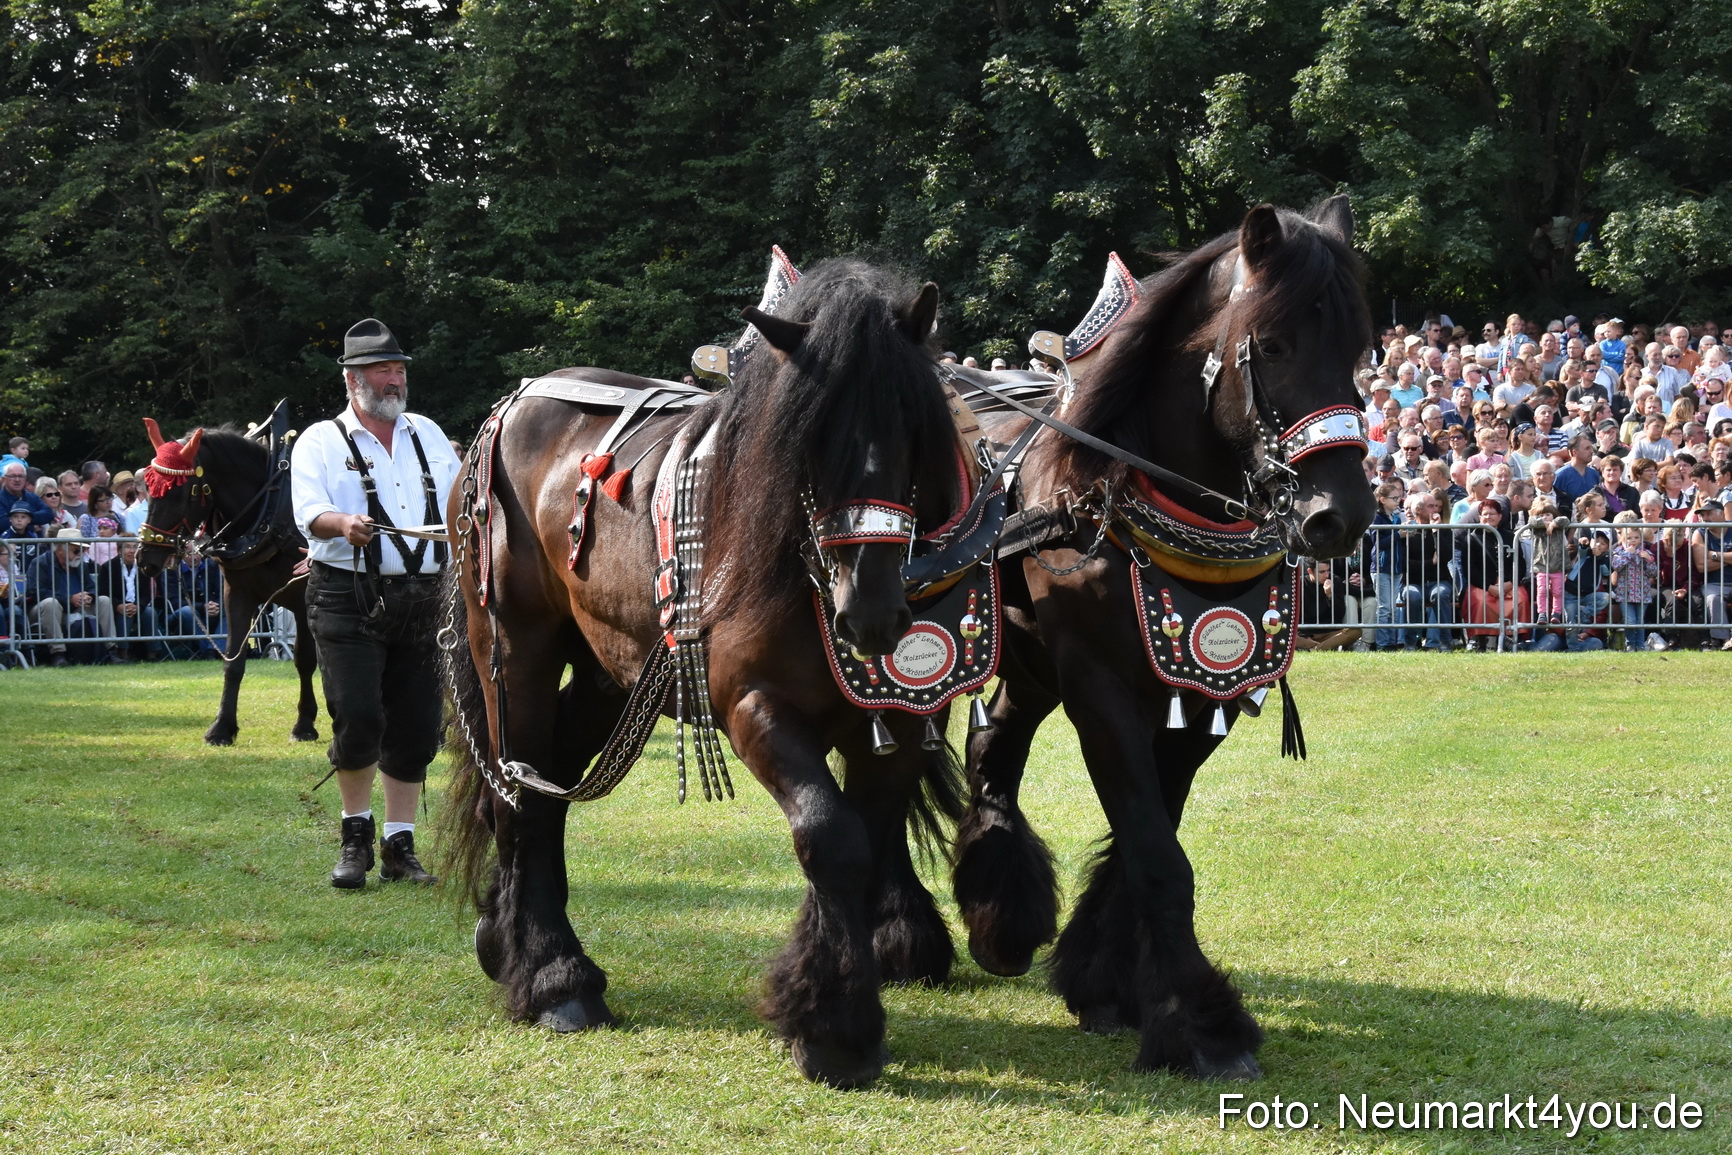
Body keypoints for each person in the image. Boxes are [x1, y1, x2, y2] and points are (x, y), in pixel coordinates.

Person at [291, 318, 458, 889]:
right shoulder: (318, 440)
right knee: (359, 718)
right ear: (352, 380)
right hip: (346, 594)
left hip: (426, 598)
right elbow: (308, 512)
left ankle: (398, 843)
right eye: (384, 371)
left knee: (416, 729)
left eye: (400, 370)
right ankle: (354, 837)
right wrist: (342, 523)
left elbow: (462, 499)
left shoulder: (428, 434)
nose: (395, 380)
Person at [26, 527, 120, 665]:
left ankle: (111, 650)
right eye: (76, 550)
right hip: (45, 610)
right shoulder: (40, 563)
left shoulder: (80, 565)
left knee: (104, 600)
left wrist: (90, 596)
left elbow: (92, 588)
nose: (80, 554)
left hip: (77, 607)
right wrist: (69, 598)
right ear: (60, 549)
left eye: (83, 550)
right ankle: (58, 654)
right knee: (50, 603)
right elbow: (38, 592)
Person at [1610, 511, 1658, 650]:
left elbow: (1653, 572)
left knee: (1640, 621)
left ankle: (1640, 644)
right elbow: (1616, 566)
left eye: (1636, 537)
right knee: (1630, 620)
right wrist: (1627, 554)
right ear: (1624, 538)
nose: (1633, 540)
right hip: (1625, 592)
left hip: (1642, 593)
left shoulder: (1646, 553)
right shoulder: (1619, 551)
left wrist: (1649, 560)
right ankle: (1630, 645)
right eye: (1629, 538)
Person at [1520, 495, 1569, 625]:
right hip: (1541, 565)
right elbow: (1531, 520)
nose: (1545, 517)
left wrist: (1554, 524)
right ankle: (1542, 614)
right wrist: (1544, 523)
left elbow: (1565, 520)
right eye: (1541, 515)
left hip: (1557, 566)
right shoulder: (1537, 529)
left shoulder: (1558, 526)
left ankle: (1556, 613)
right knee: (1542, 590)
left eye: (1548, 514)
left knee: (1557, 591)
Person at [1691, 499, 1732, 649]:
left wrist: (1714, 555)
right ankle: (1723, 639)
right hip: (1714, 583)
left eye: (1708, 514)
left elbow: (1707, 560)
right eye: (1702, 515)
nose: (1705, 519)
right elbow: (1701, 566)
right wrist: (1729, 557)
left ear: (1721, 514)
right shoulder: (1699, 533)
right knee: (1713, 598)